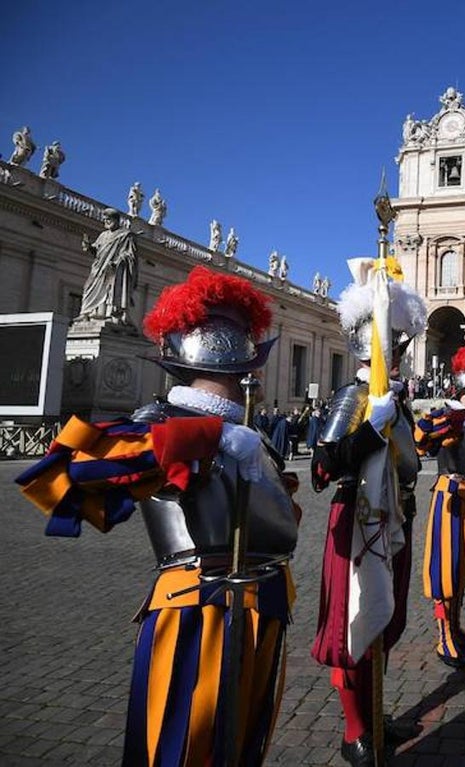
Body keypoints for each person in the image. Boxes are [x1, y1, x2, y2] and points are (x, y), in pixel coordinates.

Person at [16, 265, 300, 765]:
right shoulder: (165, 427)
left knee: (243, 748)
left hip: (265, 607)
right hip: (198, 604)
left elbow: (281, 522)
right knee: (181, 746)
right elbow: (64, 470)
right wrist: (206, 438)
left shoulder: (252, 439)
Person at [311, 263, 428, 766]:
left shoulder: (394, 400)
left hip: (392, 522)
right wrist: (368, 430)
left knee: (385, 624)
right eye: (395, 347)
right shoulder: (355, 398)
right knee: (352, 627)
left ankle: (375, 713)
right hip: (358, 524)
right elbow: (322, 467)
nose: (400, 356)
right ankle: (356, 730)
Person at [413, 346, 465, 669]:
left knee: (463, 568)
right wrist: (445, 422)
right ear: (459, 390)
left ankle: (455, 627)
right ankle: (443, 636)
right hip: (451, 497)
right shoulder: (446, 413)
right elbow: (421, 439)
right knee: (447, 569)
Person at [78, 207, 138, 323]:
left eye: (108, 219)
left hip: (114, 270)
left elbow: (130, 255)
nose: (106, 222)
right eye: (104, 220)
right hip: (98, 269)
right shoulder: (103, 235)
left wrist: (118, 261)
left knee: (110, 291)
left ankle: (108, 314)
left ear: (116, 220)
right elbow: (97, 251)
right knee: (88, 287)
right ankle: (86, 312)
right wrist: (89, 247)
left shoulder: (126, 235)